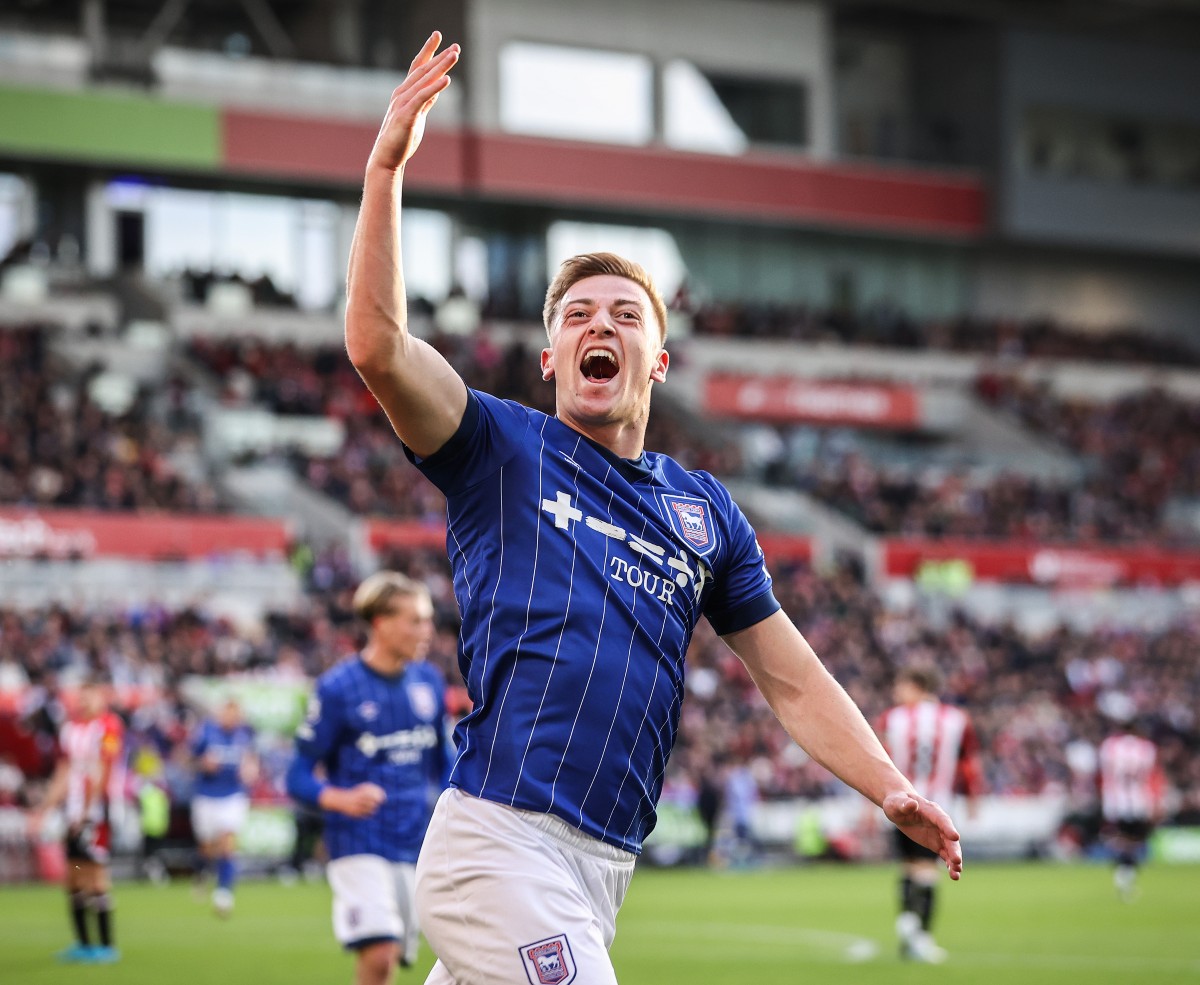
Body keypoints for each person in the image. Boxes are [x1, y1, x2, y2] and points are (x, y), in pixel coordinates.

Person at [345, 32, 964, 985]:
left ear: (658, 363)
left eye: (626, 315)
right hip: (499, 840)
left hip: (602, 870)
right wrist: (387, 165)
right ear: (551, 357)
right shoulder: (500, 448)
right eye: (578, 315)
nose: (602, 324)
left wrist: (889, 785)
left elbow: (792, 677)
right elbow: (379, 346)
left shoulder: (705, 511)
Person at [287, 572, 451, 984]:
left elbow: (444, 764)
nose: (426, 630)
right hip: (358, 839)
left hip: (414, 840)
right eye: (415, 620)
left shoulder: (428, 682)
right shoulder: (337, 688)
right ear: (380, 623)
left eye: (427, 619)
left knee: (397, 961)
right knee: (379, 955)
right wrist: (338, 799)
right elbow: (297, 775)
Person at [875, 667, 983, 963]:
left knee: (909, 865)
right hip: (938, 804)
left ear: (917, 686)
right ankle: (920, 933)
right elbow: (969, 763)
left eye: (901, 686)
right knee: (926, 870)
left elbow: (880, 759)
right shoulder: (957, 720)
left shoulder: (892, 718)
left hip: (900, 802)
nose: (897, 693)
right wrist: (973, 800)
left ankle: (908, 924)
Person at [34, 678, 125, 964]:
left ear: (102, 698)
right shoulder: (69, 729)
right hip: (73, 813)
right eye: (81, 696)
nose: (84, 701)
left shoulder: (109, 727)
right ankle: (84, 943)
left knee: (95, 875)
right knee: (74, 874)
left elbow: (103, 769)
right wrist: (44, 808)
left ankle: (106, 945)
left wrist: (88, 812)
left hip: (96, 813)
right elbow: (63, 772)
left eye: (91, 695)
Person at [190, 697, 257, 916]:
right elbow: (188, 760)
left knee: (228, 842)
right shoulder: (206, 732)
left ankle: (223, 894)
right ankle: (202, 874)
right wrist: (203, 764)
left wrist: (250, 769)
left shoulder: (245, 734)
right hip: (207, 795)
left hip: (233, 795)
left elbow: (251, 760)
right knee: (207, 847)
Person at [1097, 716, 1163, 902]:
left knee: (1124, 839)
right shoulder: (1146, 747)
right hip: (1138, 799)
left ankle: (1123, 871)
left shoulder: (1109, 746)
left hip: (1114, 800)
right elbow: (1150, 772)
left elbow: (1104, 770)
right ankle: (1126, 872)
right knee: (1134, 840)